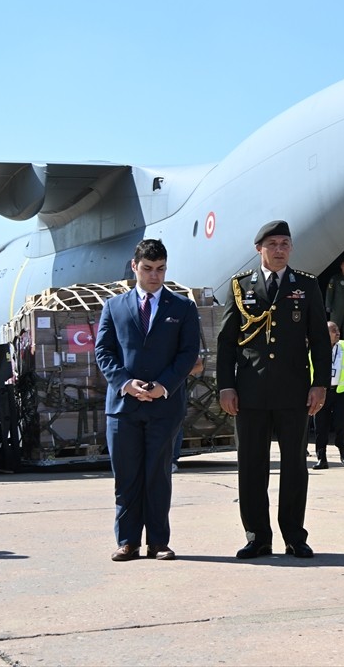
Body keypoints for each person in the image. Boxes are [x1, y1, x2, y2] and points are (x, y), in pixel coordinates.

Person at [217, 220, 329, 560]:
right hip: (249, 393)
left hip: (294, 392)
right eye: (273, 244)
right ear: (259, 249)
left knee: (295, 466)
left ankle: (294, 535)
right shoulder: (240, 287)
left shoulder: (306, 285)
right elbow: (226, 343)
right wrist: (225, 386)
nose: (279, 249)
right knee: (252, 467)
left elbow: (320, 342)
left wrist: (320, 384)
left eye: (285, 243)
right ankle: (257, 537)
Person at [94, 239, 200, 562]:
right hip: (123, 408)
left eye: (161, 269)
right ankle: (127, 541)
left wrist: (163, 386)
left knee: (157, 474)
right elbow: (103, 351)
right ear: (134, 266)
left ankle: (158, 542)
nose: (155, 276)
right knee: (126, 476)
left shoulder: (183, 308)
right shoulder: (113, 307)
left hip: (164, 406)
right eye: (148, 269)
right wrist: (126, 383)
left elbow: (188, 354)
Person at [311, 321, 344, 470]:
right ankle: (322, 457)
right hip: (322, 392)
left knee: (340, 422)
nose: (338, 333)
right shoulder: (316, 349)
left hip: (340, 392)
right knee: (321, 426)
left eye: (338, 330)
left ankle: (341, 445)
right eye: (334, 331)